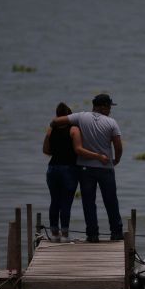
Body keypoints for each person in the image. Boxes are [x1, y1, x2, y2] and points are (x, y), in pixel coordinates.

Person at [50, 93, 123, 242]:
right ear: (103, 107)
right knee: (111, 201)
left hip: (84, 168)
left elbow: (56, 121)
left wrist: (53, 128)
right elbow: (118, 145)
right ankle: (116, 233)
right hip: (105, 167)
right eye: (109, 107)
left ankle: (92, 235)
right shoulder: (111, 122)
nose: (110, 110)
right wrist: (116, 160)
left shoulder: (81, 117)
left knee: (89, 202)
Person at [43, 102, 110, 241]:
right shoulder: (73, 129)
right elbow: (78, 150)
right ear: (70, 116)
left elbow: (46, 150)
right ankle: (65, 235)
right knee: (66, 202)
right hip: (69, 169)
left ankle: (54, 234)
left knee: (54, 201)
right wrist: (99, 156)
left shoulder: (51, 130)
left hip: (52, 168)